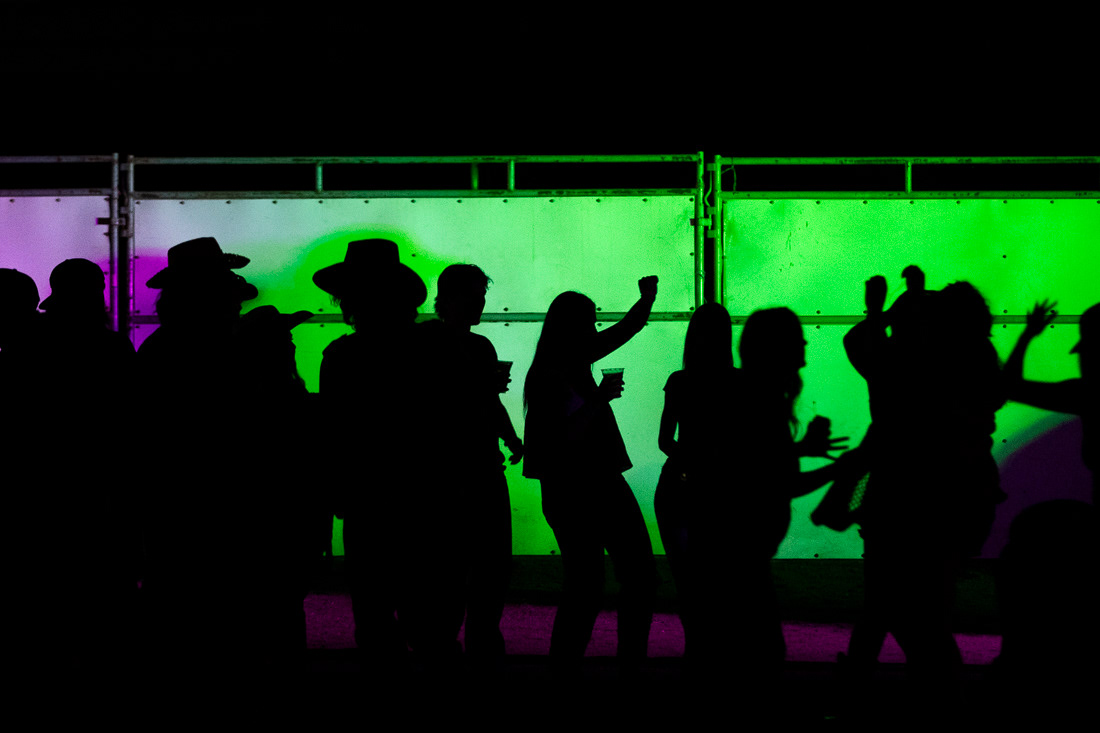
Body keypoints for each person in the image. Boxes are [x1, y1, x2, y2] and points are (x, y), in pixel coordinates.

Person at [655, 303, 845, 670]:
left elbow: (668, 441)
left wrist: (697, 463)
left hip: (681, 486)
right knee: (718, 592)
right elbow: (757, 456)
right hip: (701, 491)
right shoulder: (740, 383)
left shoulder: (682, 381)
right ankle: (705, 658)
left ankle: (699, 655)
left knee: (692, 582)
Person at [843, 268, 1005, 688]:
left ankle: (881, 688)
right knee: (928, 610)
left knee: (888, 606)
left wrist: (879, 310)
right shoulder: (975, 361)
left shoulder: (911, 369)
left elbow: (861, 347)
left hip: (905, 500)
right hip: (956, 500)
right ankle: (938, 693)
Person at [314, 238, 445, 673]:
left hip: (365, 497)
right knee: (426, 611)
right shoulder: (431, 350)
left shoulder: (341, 356)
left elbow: (332, 431)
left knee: (372, 610)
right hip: (423, 494)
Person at [135, 237, 259, 682]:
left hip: (175, 507)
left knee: (180, 613)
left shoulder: (160, 351)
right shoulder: (221, 353)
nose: (235, 302)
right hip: (212, 508)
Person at [522, 276, 658, 673]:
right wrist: (598, 399)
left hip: (568, 489)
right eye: (590, 322)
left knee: (585, 585)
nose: (596, 330)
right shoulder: (565, 372)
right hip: (593, 484)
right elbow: (568, 437)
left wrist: (645, 300)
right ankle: (627, 666)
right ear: (574, 328)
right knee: (632, 577)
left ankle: (565, 669)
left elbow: (554, 442)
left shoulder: (550, 372)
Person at [423, 264, 522, 667]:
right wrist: (510, 436)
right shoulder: (466, 346)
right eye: (475, 296)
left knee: (458, 571)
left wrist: (511, 436)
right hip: (466, 472)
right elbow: (476, 401)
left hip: (459, 472)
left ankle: (448, 650)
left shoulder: (437, 341)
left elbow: (482, 401)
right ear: (449, 300)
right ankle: (476, 651)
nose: (480, 303)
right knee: (482, 569)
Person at [1004, 300, 1096, 499]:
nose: (1081, 360)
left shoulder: (1085, 394)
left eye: (1087, 353)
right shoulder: (1084, 394)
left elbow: (1011, 387)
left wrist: (1027, 335)